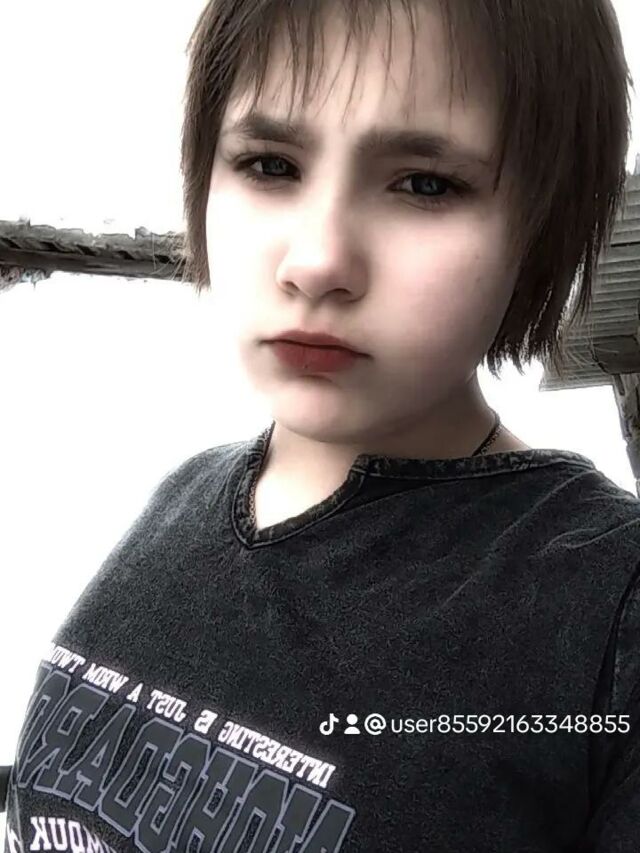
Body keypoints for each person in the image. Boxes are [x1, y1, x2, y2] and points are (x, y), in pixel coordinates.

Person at [3, 1, 639, 851]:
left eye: (425, 183)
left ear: (543, 224)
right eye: (269, 165)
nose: (317, 262)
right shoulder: (182, 492)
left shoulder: (605, 609)